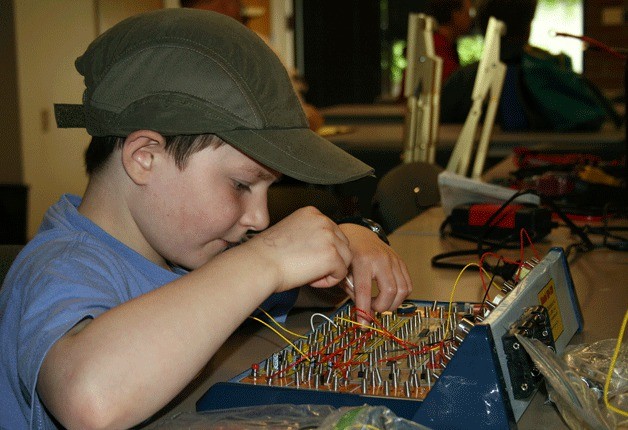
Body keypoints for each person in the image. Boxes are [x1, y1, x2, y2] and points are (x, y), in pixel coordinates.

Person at [0, 9, 412, 429]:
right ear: (145, 158)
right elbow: (89, 399)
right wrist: (267, 258)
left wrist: (346, 242)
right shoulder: (58, 267)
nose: (259, 217)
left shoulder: (184, 250)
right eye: (240, 185)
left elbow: (301, 291)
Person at [439, 0, 616, 131]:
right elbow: (596, 119)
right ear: (528, 27)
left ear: (484, 26)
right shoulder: (548, 71)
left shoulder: (461, 80)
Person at [180, 0, 325, 132]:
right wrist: (311, 117)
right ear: (228, 4)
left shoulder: (170, 47)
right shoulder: (253, 45)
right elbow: (296, 121)